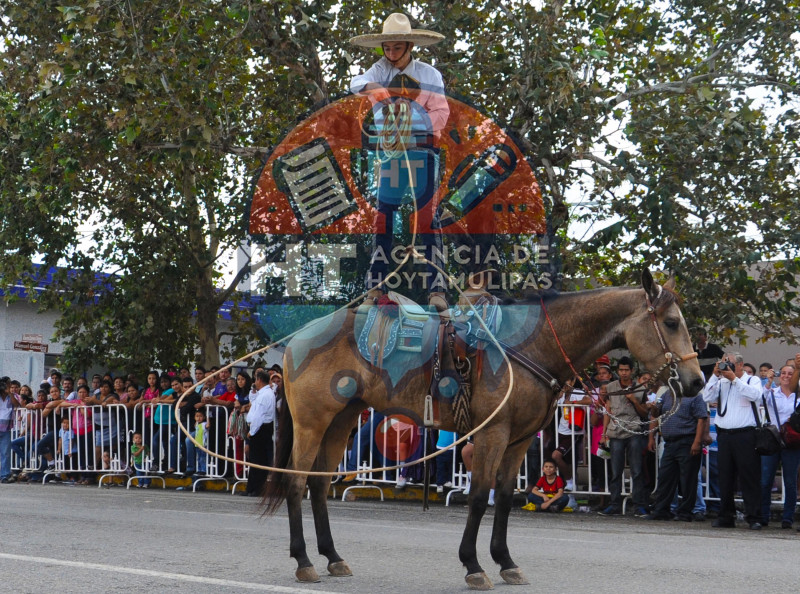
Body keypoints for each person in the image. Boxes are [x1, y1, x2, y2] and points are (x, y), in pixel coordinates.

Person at [349, 13, 450, 315]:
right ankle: (375, 287)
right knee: (384, 219)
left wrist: (413, 125)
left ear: (409, 46)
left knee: (427, 217)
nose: (392, 55)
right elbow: (356, 82)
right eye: (387, 49)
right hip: (390, 154)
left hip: (422, 151)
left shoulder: (429, 75)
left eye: (397, 49)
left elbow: (441, 114)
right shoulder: (379, 69)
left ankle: (437, 289)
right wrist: (376, 90)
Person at [702, 352, 763, 529]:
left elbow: (755, 396)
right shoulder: (721, 382)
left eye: (729, 363)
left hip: (745, 436)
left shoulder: (752, 380)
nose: (726, 366)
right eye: (723, 363)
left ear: (740, 365)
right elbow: (706, 397)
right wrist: (715, 375)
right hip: (725, 436)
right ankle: (726, 516)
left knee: (749, 478)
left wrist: (735, 380)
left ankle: (754, 517)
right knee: (725, 478)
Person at [646, 387, 709, 521]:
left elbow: (701, 419)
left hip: (687, 440)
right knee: (665, 477)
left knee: (688, 479)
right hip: (670, 442)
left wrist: (697, 442)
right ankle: (662, 510)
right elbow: (656, 413)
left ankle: (685, 512)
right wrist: (653, 409)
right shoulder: (667, 394)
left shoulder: (695, 395)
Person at [599, 357, 651, 517]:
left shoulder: (640, 388)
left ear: (632, 371)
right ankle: (614, 504)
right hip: (615, 431)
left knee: (636, 470)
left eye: (626, 370)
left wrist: (634, 400)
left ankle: (639, 505)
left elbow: (644, 413)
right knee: (616, 471)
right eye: (621, 370)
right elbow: (608, 410)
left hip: (634, 430)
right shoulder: (610, 387)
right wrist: (604, 433)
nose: (623, 373)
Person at [759, 360, 800, 528]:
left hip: (792, 441)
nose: (786, 376)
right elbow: (760, 400)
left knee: (790, 481)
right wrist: (768, 381)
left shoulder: (798, 395)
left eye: (790, 374)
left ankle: (787, 517)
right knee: (766, 480)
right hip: (773, 440)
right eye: (783, 373)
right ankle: (764, 515)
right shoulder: (772, 392)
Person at [551, 384, 592, 494]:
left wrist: (573, 403)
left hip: (574, 432)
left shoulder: (577, 392)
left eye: (568, 380)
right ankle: (568, 489)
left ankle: (570, 481)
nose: (565, 383)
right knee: (567, 461)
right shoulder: (561, 393)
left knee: (556, 455)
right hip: (561, 430)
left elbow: (589, 401)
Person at [243, 370, 276, 496]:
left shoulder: (265, 395)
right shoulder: (263, 393)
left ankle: (258, 488)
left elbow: (259, 416)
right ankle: (251, 488)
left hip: (260, 428)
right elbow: (254, 402)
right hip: (259, 428)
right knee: (255, 459)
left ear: (260, 380)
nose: (254, 382)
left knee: (259, 460)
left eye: (256, 379)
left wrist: (252, 431)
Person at [0, 377, 24, 483]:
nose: (6, 386)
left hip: (6, 428)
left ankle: (4, 475)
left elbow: (17, 405)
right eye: (4, 384)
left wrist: (9, 393)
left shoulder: (13, 396)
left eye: (8, 384)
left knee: (5, 452)